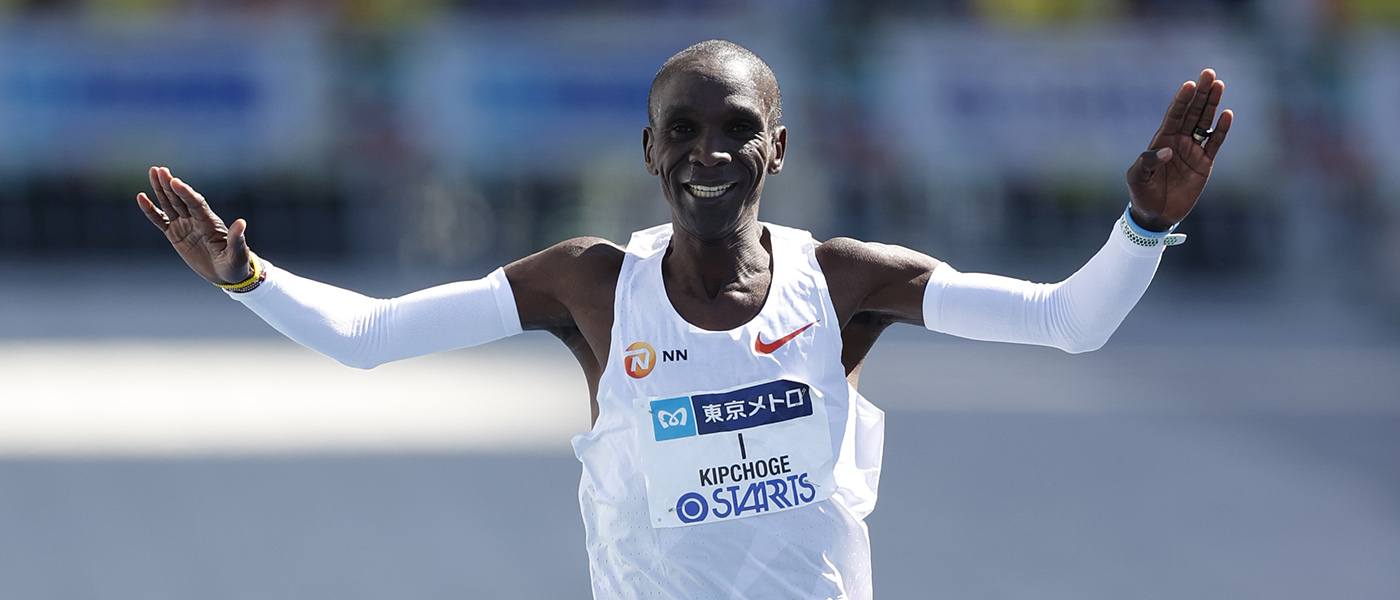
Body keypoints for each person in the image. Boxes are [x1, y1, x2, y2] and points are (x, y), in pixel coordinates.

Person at [137, 39, 1231, 600]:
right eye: (683, 129)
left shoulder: (842, 282)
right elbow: (368, 338)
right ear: (650, 151)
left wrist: (1141, 225)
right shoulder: (589, 286)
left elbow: (1063, 325)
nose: (710, 151)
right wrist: (246, 275)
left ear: (779, 150)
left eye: (737, 127)